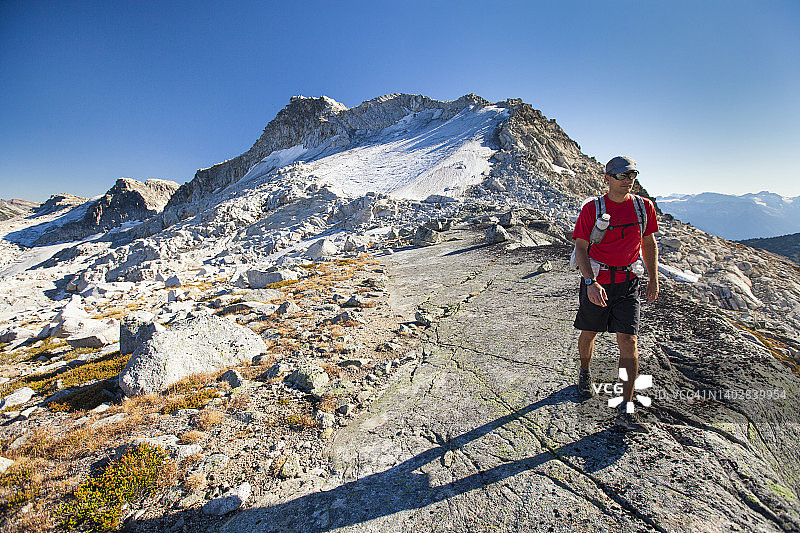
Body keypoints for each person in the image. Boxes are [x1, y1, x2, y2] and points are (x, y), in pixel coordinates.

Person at [572, 156, 659, 433]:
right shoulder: (592, 209)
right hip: (598, 281)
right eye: (621, 174)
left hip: (628, 282)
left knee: (629, 341)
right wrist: (590, 282)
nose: (628, 179)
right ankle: (585, 373)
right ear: (607, 177)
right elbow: (581, 248)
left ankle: (626, 406)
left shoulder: (644, 208)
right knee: (589, 333)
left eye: (632, 174)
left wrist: (654, 278)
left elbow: (648, 242)